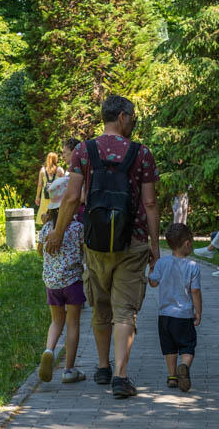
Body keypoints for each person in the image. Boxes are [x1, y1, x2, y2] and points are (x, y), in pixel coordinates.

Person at [44, 95, 161, 399]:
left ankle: (101, 366)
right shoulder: (142, 154)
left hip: (95, 243)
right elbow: (149, 203)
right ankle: (120, 377)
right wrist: (154, 247)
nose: (133, 121)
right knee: (125, 310)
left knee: (101, 304)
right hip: (132, 242)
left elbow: (71, 198)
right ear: (122, 117)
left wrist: (57, 234)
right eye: (132, 116)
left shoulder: (84, 150)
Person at [37, 177, 86, 384]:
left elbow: (40, 252)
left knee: (57, 321)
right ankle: (68, 370)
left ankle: (49, 350)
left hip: (52, 283)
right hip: (72, 282)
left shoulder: (46, 229)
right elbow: (85, 250)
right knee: (73, 324)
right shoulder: (76, 228)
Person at [148, 224, 202, 392]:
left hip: (164, 315)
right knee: (187, 346)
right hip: (184, 315)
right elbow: (195, 291)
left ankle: (172, 376)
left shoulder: (162, 263)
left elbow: (153, 283)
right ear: (186, 243)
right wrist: (198, 312)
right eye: (192, 242)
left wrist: (151, 267)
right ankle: (184, 366)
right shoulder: (193, 266)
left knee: (169, 347)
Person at [35, 151, 65, 222]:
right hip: (57, 196)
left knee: (44, 212)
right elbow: (64, 183)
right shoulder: (60, 170)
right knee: (57, 214)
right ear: (56, 159)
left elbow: (40, 185)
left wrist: (37, 197)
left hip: (45, 195)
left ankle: (45, 229)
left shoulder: (42, 170)